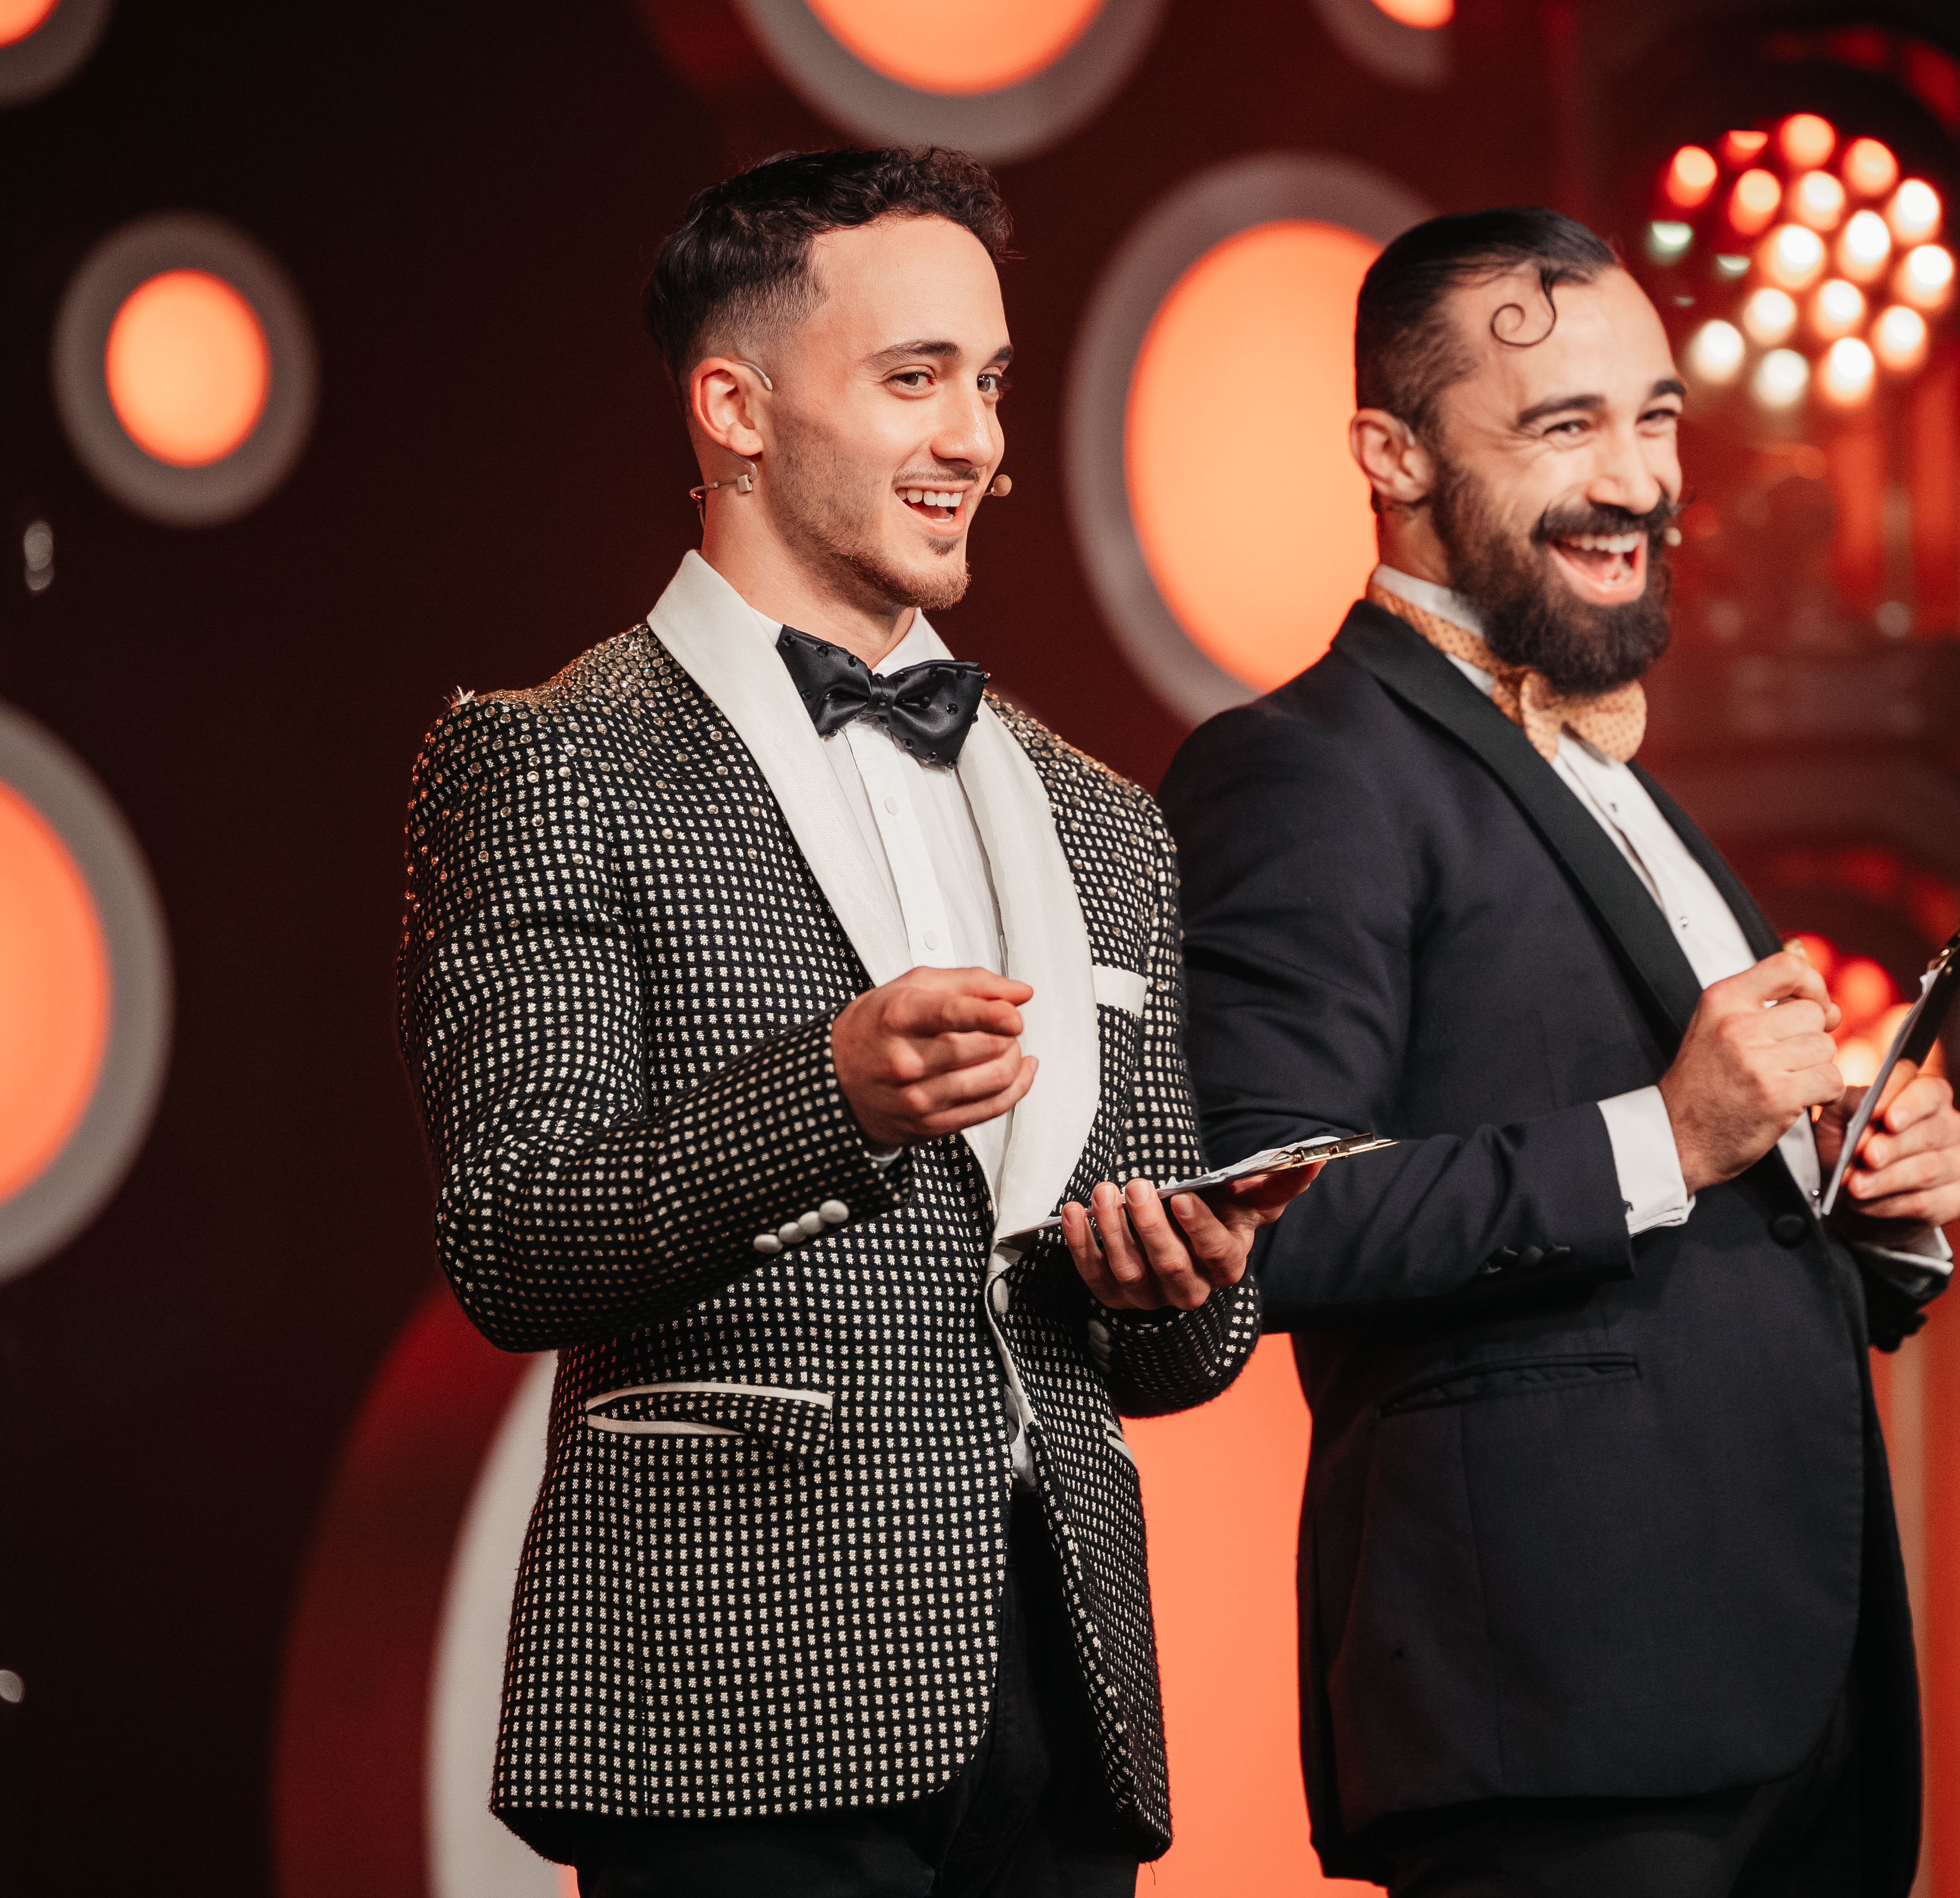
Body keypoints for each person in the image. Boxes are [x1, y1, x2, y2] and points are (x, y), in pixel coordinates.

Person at [398, 145, 1308, 1898]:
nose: (977, 438)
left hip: (1063, 1696)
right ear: (734, 409)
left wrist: (1187, 1277)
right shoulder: (552, 758)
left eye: (991, 382)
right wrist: (829, 1096)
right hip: (733, 1683)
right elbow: (513, 1231)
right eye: (914, 379)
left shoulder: (1101, 816)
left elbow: (1168, 1360)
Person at [1157, 206, 1960, 1897]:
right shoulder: (1304, 766)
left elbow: (1728, 1226)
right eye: (1564, 425)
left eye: (1655, 418)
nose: (1638, 480)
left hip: (1789, 1692)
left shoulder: (1632, 782)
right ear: (1390, 454)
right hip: (1554, 1706)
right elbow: (1269, 1218)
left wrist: (1870, 1197)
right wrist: (1669, 1132)